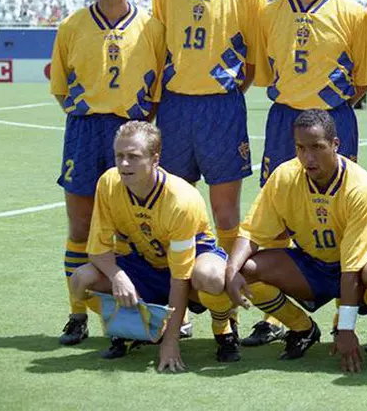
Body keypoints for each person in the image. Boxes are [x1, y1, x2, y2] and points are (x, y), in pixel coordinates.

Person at [245, 0, 367, 347]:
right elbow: (266, 72)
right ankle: (278, 317)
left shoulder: (352, 13)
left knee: (341, 206)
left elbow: (362, 79)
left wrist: (326, 110)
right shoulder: (270, 13)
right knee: (277, 206)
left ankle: (344, 312)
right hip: (284, 117)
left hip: (332, 118)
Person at [223, 110, 367, 370]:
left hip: (357, 270)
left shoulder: (360, 186)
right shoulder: (285, 176)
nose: (308, 157)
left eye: (317, 147)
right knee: (246, 269)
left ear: (335, 144)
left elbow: (351, 267)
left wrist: (346, 328)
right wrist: (230, 270)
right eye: (301, 148)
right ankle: (302, 328)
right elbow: (252, 232)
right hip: (312, 264)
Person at [49, 0, 163, 346]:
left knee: (132, 227)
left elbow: (158, 89)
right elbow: (60, 88)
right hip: (84, 131)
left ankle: (138, 311)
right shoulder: (72, 25)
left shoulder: (151, 27)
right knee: (80, 225)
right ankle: (77, 315)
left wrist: (134, 126)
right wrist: (88, 114)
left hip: (129, 132)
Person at [69, 121, 240, 370]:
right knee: (80, 280)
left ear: (155, 159)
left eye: (133, 156)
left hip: (190, 266)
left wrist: (171, 343)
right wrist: (118, 277)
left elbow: (179, 278)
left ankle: (223, 328)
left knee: (212, 278)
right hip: (144, 262)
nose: (124, 164)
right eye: (119, 155)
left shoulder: (181, 200)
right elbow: (98, 250)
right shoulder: (108, 183)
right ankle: (137, 329)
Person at [151, 0, 266, 255]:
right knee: (175, 204)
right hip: (175, 106)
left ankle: (226, 285)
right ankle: (180, 281)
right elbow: (158, 48)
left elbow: (252, 57)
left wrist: (227, 90)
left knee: (225, 210)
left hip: (221, 107)